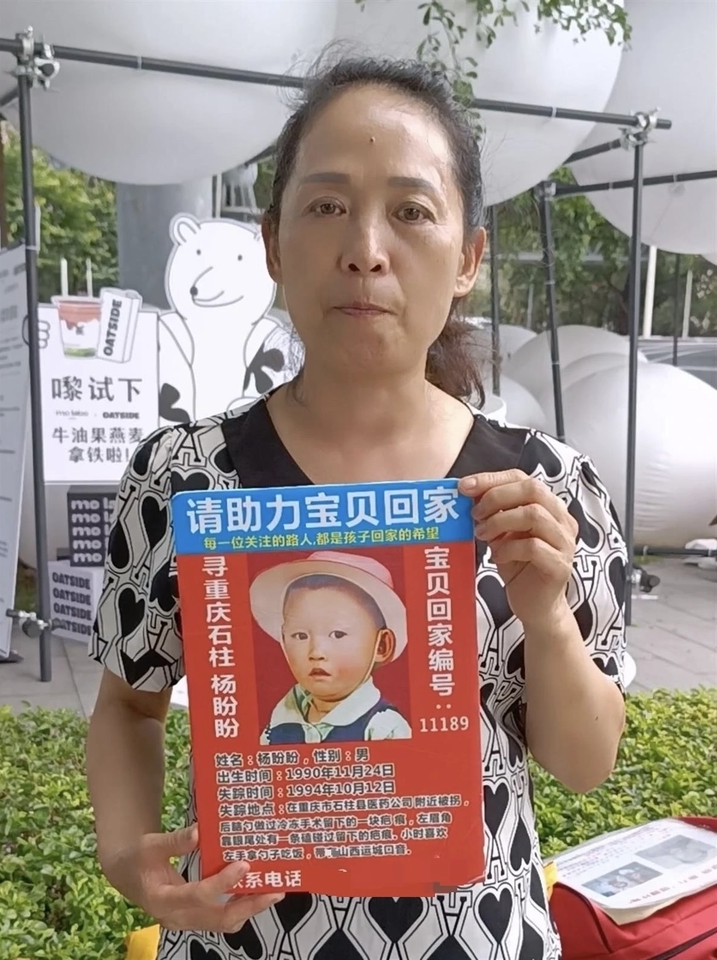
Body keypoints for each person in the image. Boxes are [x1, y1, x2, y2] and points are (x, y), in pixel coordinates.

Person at [87, 55, 627, 960]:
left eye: (411, 211)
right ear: (273, 245)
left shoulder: (548, 487)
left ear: (467, 259)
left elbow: (585, 763)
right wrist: (126, 856)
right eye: (328, 205)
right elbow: (128, 707)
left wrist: (547, 619)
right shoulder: (184, 477)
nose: (365, 250)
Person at [251, 550, 412, 744]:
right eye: (301, 636)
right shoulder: (280, 720)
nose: (316, 652)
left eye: (338, 634)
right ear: (283, 640)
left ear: (381, 646)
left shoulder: (383, 727)